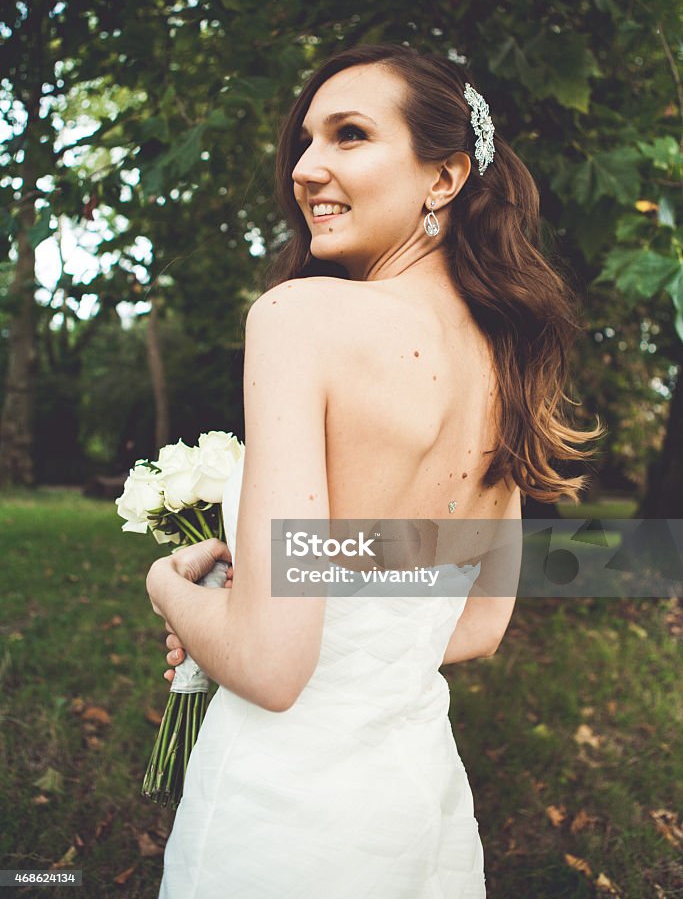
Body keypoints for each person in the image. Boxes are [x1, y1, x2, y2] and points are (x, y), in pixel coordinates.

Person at [146, 44, 601, 898]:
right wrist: (270, 593)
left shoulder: (300, 319)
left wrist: (174, 588)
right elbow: (471, 628)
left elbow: (272, 668)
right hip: (412, 799)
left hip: (283, 809)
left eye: (349, 136)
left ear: (445, 176)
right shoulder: (505, 364)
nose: (306, 169)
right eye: (304, 143)